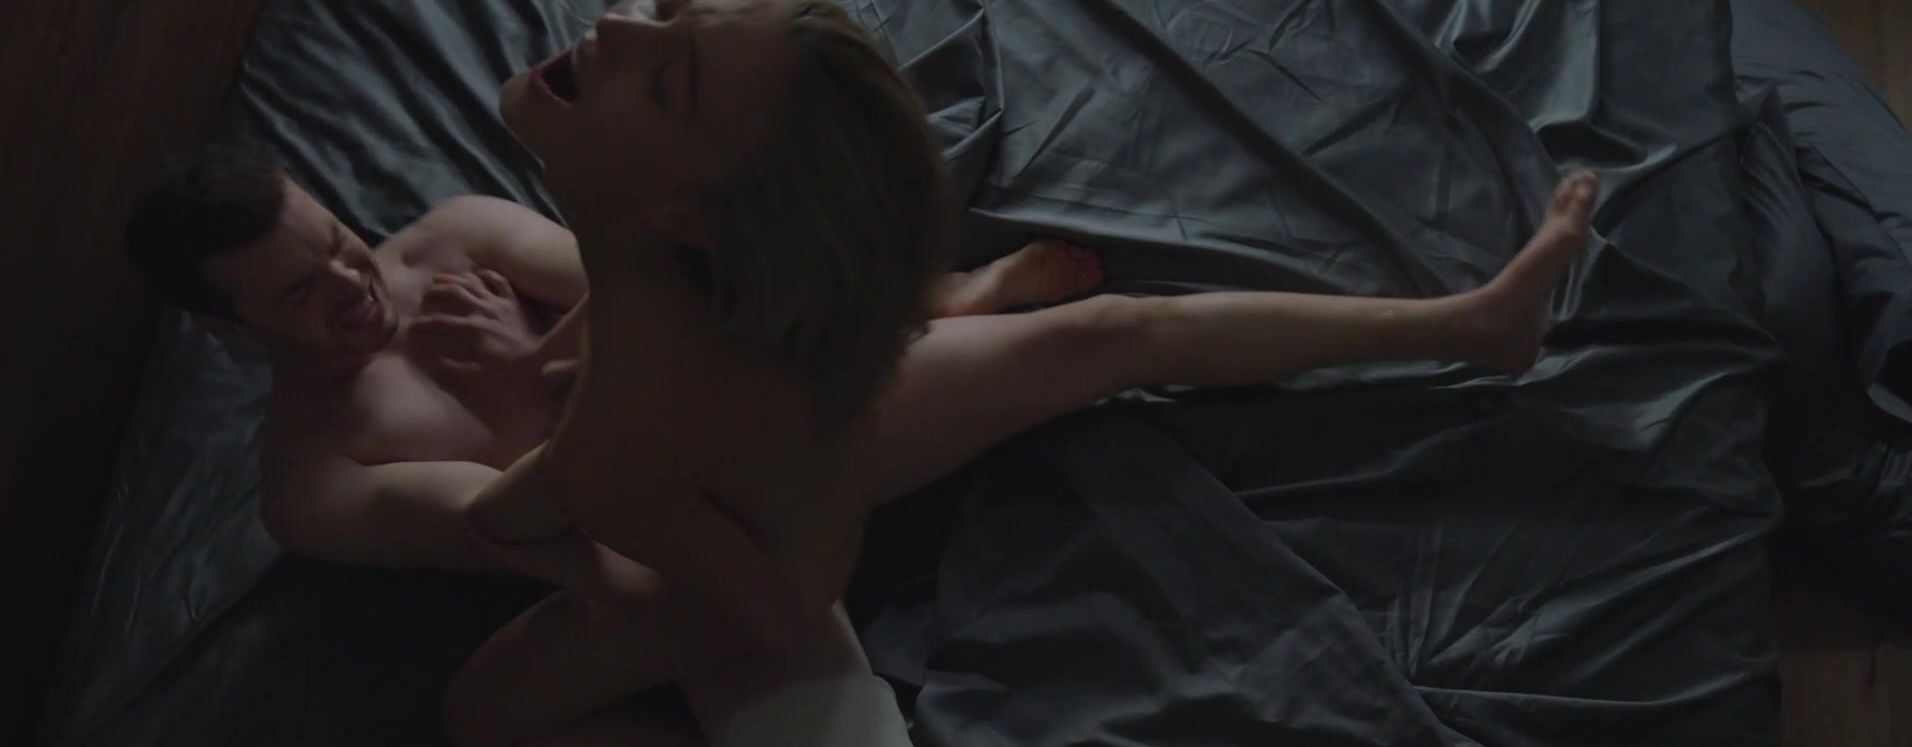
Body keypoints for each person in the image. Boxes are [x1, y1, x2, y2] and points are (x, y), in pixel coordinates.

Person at [455, 0, 1601, 745]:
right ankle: (952, 308)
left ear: (686, 216)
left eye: (666, 67)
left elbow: (778, 603)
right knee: (481, 716)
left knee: (475, 719)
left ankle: (1472, 326)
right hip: (772, 468)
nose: (615, 22)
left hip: (793, 490)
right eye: (657, 25)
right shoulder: (657, 311)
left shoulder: (642, 412)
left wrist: (552, 531)